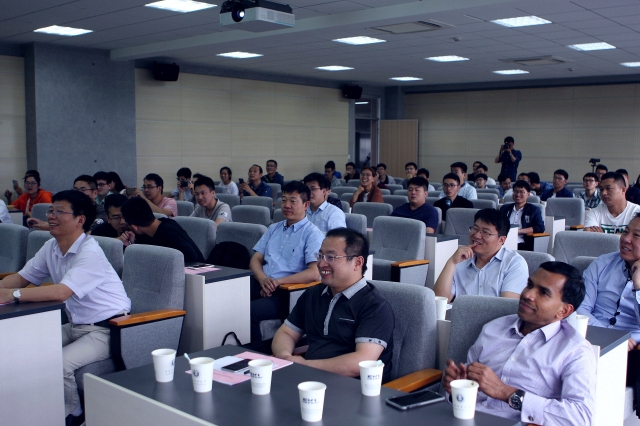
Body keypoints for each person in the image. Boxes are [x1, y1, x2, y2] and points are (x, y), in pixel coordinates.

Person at [0, 190, 131, 424]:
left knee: (59, 364)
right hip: (75, 325)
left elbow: (62, 292)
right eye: (51, 210)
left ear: (80, 219)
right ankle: (33, 406)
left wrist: (12, 295)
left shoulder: (89, 252)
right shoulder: (51, 246)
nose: (51, 216)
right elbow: (21, 277)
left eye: (59, 212)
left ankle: (74, 415)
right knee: (26, 347)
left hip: (107, 329)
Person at [443, 262, 595, 425]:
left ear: (563, 311)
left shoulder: (575, 351)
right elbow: (465, 387)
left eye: (543, 292)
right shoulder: (493, 328)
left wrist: (506, 392)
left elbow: (580, 417)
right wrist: (458, 388)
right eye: (530, 285)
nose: (528, 294)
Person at [272, 228, 395, 381]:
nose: (321, 263)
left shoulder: (375, 306)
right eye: (320, 256)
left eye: (331, 257)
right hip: (309, 379)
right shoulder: (313, 294)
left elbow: (362, 363)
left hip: (353, 387)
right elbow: (286, 333)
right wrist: (284, 356)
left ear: (357, 262)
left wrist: (305, 365)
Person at [249, 181, 324, 351]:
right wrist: (263, 280)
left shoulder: (312, 234)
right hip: (262, 283)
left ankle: (256, 356)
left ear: (306, 205)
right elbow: (255, 260)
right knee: (227, 300)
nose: (286, 205)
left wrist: (276, 282)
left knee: (249, 311)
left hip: (286, 293)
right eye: (283, 200)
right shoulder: (273, 228)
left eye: (292, 201)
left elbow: (314, 273)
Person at [578, 214, 640, 396]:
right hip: (589, 336)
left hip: (631, 351)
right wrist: (610, 336)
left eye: (636, 235)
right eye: (626, 232)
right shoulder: (602, 263)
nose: (626, 239)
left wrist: (638, 286)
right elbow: (580, 307)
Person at [434, 208, 528, 302]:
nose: (477, 236)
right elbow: (439, 301)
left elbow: (507, 306)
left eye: (485, 232)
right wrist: (451, 262)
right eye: (475, 229)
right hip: (458, 311)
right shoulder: (461, 258)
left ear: (501, 240)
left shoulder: (514, 263)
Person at [119, 197, 204, 263]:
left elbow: (192, 256)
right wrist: (131, 245)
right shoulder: (149, 231)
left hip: (197, 274)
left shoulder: (167, 232)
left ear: (134, 227)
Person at [26, 175, 107, 232]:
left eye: (83, 190)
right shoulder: (69, 209)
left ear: (95, 193)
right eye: (75, 190)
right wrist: (42, 223)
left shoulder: (101, 211)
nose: (78, 193)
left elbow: (90, 230)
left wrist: (50, 226)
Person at [500, 180, 545, 249]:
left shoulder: (533, 210)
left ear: (528, 194)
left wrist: (518, 231)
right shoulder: (505, 208)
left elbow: (540, 227)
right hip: (503, 241)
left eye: (522, 192)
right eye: (516, 191)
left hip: (522, 243)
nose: (518, 194)